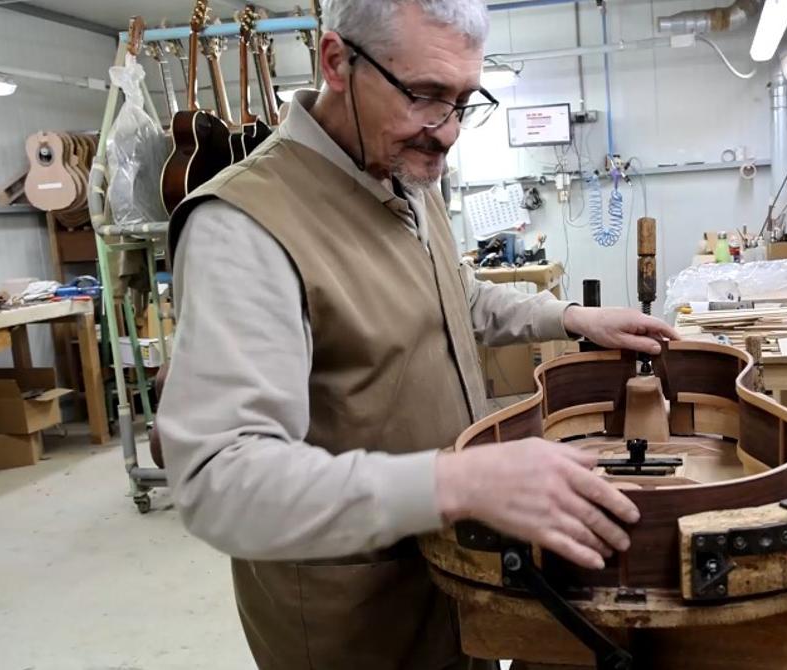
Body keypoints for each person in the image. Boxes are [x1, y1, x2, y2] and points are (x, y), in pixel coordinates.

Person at [157, 0, 678, 667]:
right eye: (425, 95)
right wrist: (455, 484)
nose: (449, 131)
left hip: (457, 580)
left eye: (464, 100)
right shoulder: (245, 225)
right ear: (336, 62)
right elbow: (216, 481)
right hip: (358, 622)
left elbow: (450, 297)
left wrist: (569, 318)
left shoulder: (402, 172)